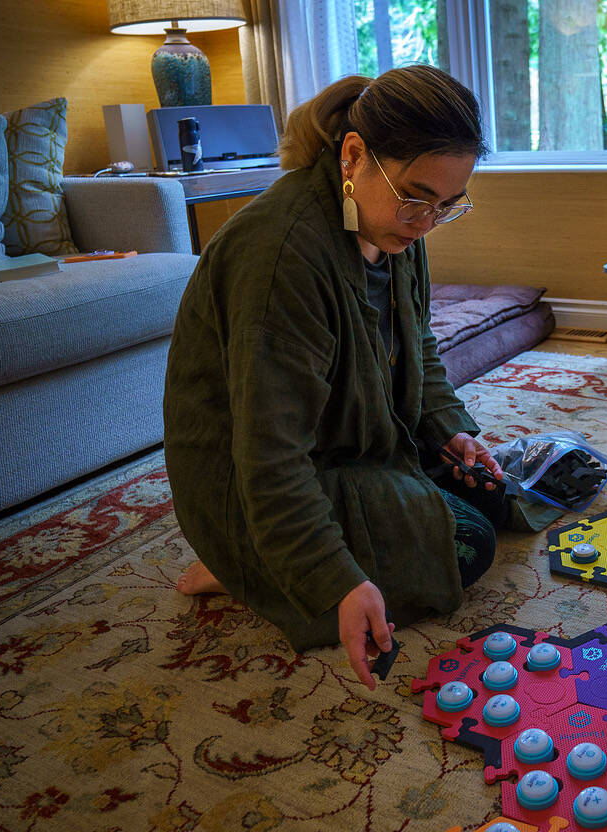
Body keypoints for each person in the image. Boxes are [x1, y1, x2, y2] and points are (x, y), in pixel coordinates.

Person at [163, 65, 506, 690]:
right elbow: (268, 455)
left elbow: (417, 345)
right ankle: (245, 564)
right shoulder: (282, 255)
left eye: (448, 204)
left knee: (491, 489)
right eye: (416, 197)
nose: (427, 221)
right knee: (468, 541)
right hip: (251, 484)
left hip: (347, 444)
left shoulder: (395, 223)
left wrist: (449, 429)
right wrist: (334, 579)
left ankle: (282, 555)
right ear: (354, 155)